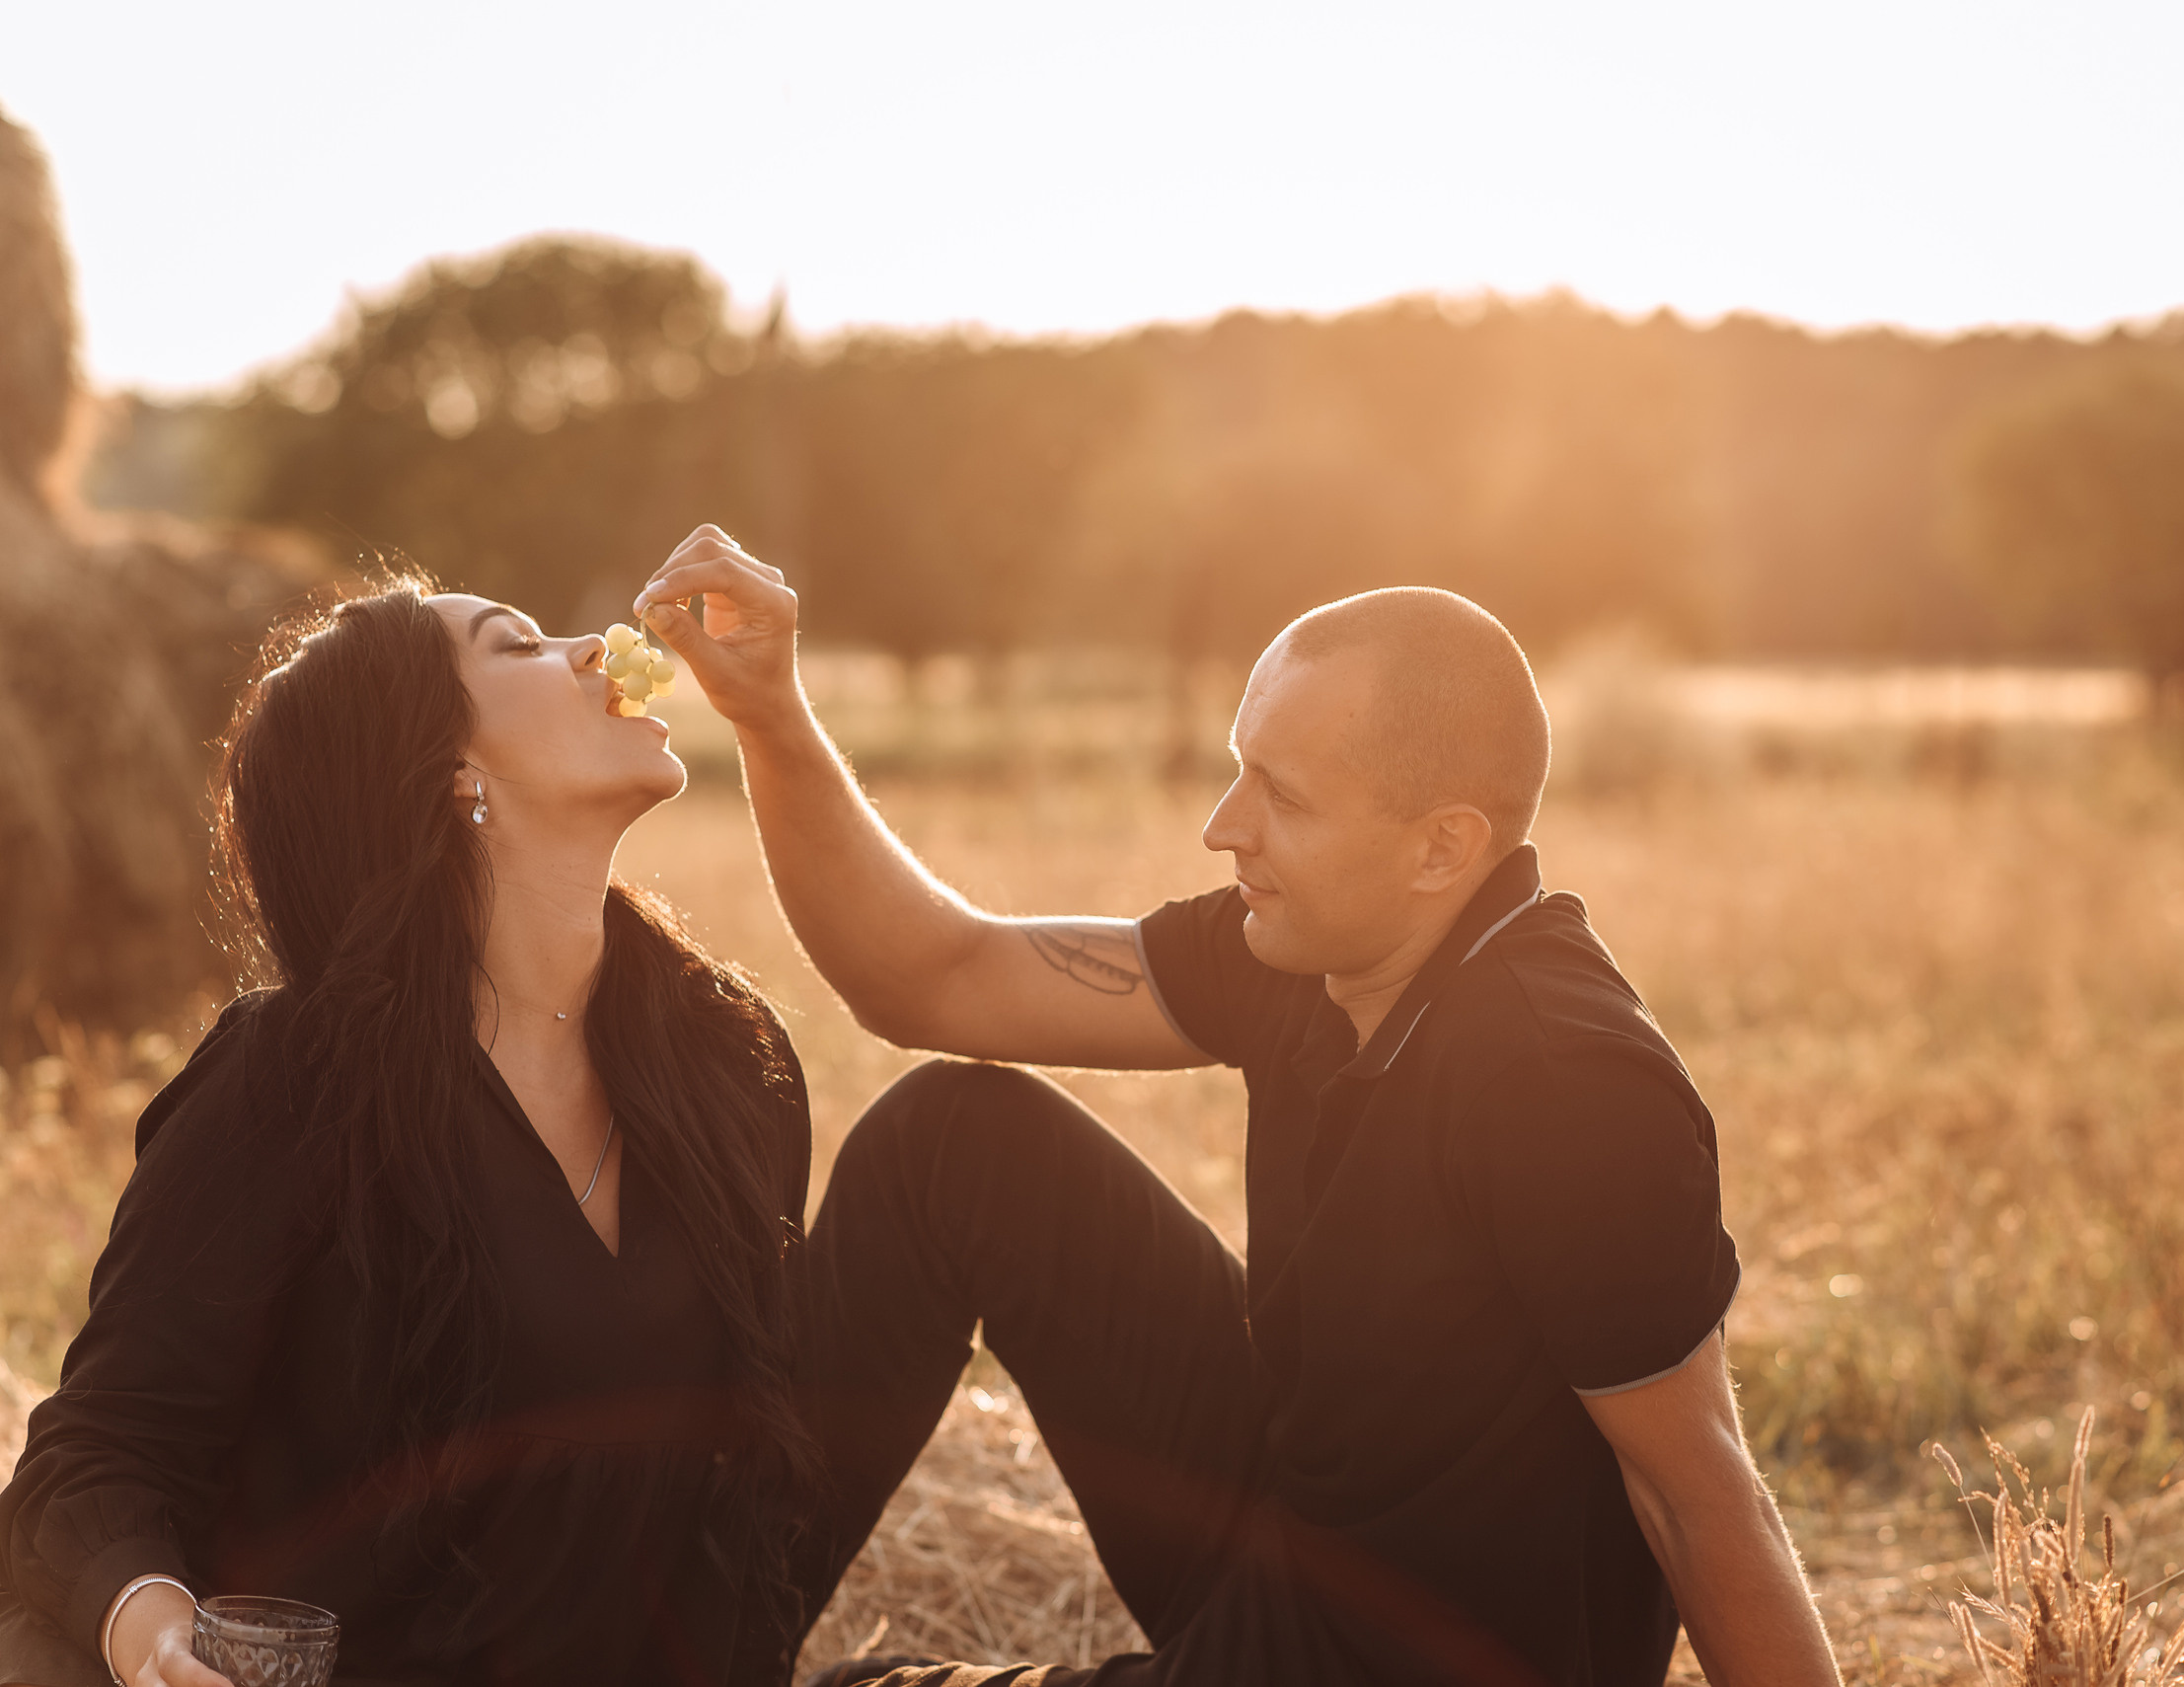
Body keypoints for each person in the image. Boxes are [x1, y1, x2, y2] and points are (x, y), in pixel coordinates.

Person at [638, 527, 1845, 1686]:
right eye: (1236, 767)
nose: (1224, 826)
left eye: (1282, 794)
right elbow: (933, 978)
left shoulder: (1566, 1085)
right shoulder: (1311, 953)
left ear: (1441, 847)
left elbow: (1700, 1497)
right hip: (1294, 1539)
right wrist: (769, 712)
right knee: (948, 1141)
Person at [0, 579, 825, 1687]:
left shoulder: (731, 1058)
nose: (596, 648)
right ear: (451, 771)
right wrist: (153, 1634)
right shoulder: (294, 1078)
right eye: (522, 643)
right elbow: (96, 1451)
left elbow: (748, 1494)